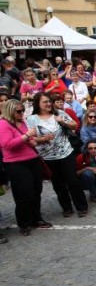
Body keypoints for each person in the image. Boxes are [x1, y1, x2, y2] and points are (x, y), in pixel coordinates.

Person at [26, 92, 89, 217]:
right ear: (37, 104)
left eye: (49, 101)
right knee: (58, 183)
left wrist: (63, 122)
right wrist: (43, 139)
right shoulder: (31, 119)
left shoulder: (59, 113)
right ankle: (66, 207)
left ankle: (81, 206)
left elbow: (75, 125)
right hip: (47, 156)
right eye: (45, 102)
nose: (48, 104)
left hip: (66, 152)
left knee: (72, 180)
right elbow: (30, 139)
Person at [0, 99, 50, 236]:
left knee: (36, 190)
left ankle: (36, 218)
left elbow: (25, 140)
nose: (22, 113)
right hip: (15, 163)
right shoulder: (3, 124)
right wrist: (27, 135)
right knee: (24, 194)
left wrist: (31, 140)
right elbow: (7, 145)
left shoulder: (22, 122)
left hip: (32, 159)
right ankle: (24, 223)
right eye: (19, 111)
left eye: (22, 110)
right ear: (10, 111)